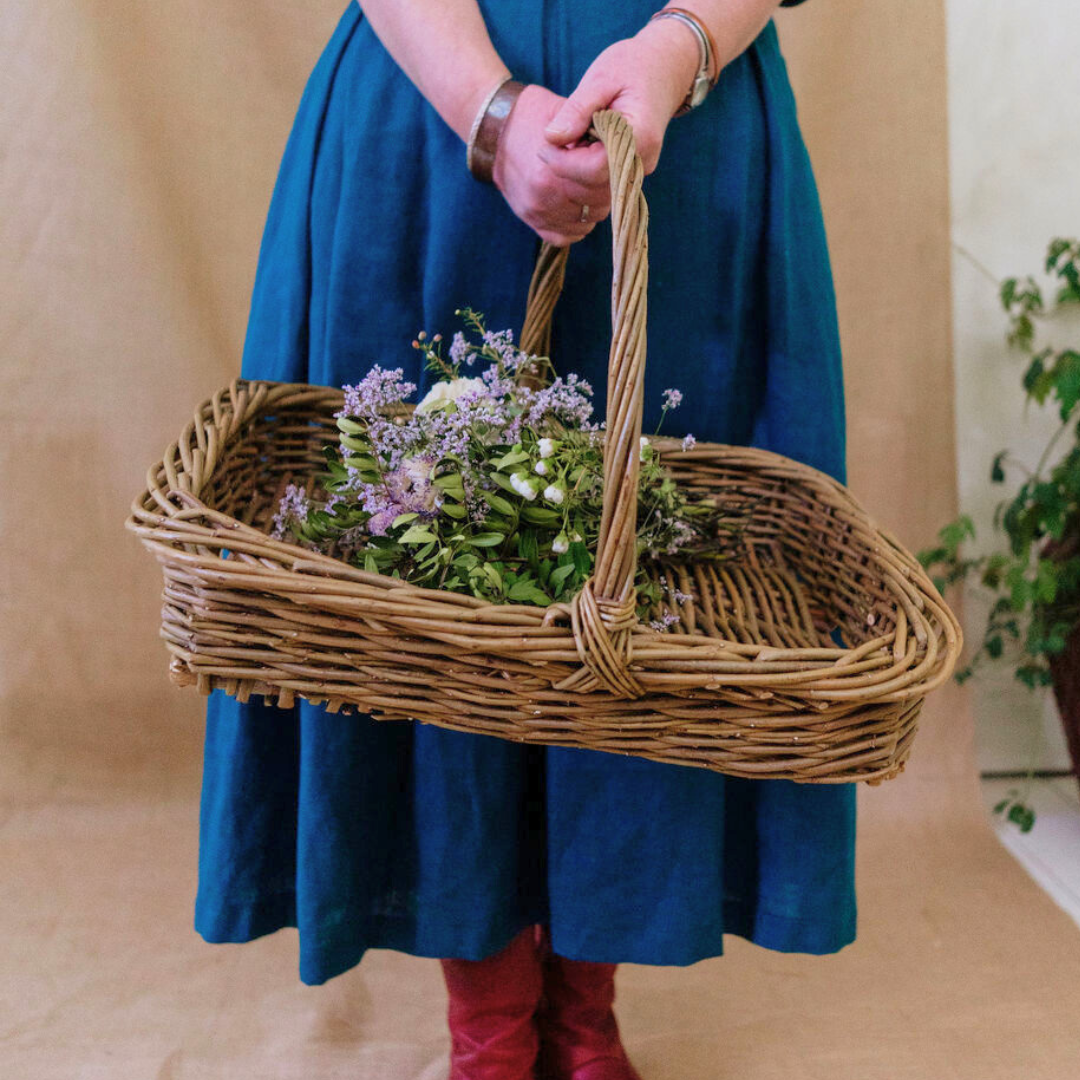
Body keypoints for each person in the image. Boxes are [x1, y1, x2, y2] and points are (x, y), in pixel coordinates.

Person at [195, 2, 856, 1077]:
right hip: (431, 112)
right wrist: (488, 112)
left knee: (653, 582)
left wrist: (676, 49)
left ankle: (583, 1011)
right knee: (429, 575)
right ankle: (491, 1026)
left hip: (684, 133)